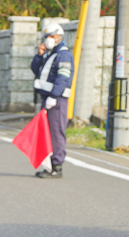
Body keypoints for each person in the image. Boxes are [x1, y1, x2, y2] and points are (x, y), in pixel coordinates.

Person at [29, 19, 73, 178]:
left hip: (57, 100)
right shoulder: (49, 54)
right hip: (47, 98)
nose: (47, 39)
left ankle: (57, 167)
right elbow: (36, 70)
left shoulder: (64, 55)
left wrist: (54, 96)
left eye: (50, 36)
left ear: (58, 37)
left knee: (55, 133)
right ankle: (48, 165)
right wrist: (39, 56)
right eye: (46, 36)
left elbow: (63, 78)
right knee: (45, 132)